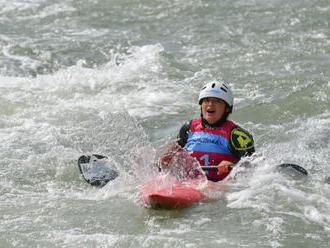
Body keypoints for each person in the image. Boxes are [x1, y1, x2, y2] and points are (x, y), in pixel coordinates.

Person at [159, 80, 255, 182]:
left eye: (217, 101)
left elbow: (255, 166)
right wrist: (166, 157)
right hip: (190, 185)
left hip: (221, 186)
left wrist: (233, 166)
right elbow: (176, 149)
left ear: (227, 108)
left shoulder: (237, 136)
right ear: (201, 105)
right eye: (206, 100)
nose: (210, 104)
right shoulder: (188, 128)